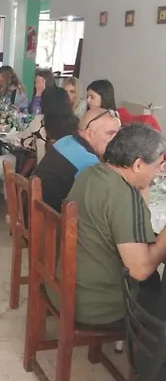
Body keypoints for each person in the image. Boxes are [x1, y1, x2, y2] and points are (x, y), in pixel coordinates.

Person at [48, 124, 166, 328]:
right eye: (158, 165)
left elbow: (136, 213)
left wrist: (143, 183)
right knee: (158, 291)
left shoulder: (91, 173)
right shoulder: (124, 197)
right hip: (96, 306)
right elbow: (140, 270)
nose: (159, 171)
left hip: (64, 289)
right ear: (138, 164)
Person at [35, 107, 121, 212]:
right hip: (50, 218)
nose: (117, 140)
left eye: (118, 134)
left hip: (34, 209)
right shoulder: (89, 163)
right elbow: (102, 203)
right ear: (89, 133)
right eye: (110, 133)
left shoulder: (66, 140)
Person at [21, 87, 79, 164]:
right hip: (68, 169)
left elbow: (24, 143)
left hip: (44, 168)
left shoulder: (40, 121)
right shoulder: (76, 122)